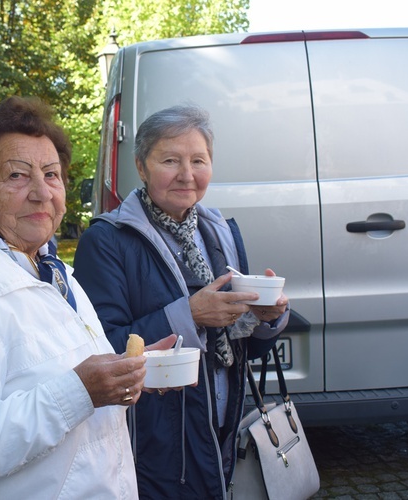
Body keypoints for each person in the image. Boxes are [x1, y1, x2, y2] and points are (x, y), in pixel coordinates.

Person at [0, 96, 174, 499]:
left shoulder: (57, 276)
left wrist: (123, 375)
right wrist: (80, 392)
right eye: (17, 176)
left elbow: (54, 379)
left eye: (52, 174)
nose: (42, 193)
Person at [73, 104, 290, 499]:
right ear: (141, 166)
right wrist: (189, 316)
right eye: (170, 160)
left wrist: (266, 317)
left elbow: (248, 350)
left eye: (198, 160)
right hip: (153, 442)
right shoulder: (106, 241)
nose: (187, 175)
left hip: (219, 428)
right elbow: (101, 349)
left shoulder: (221, 232)